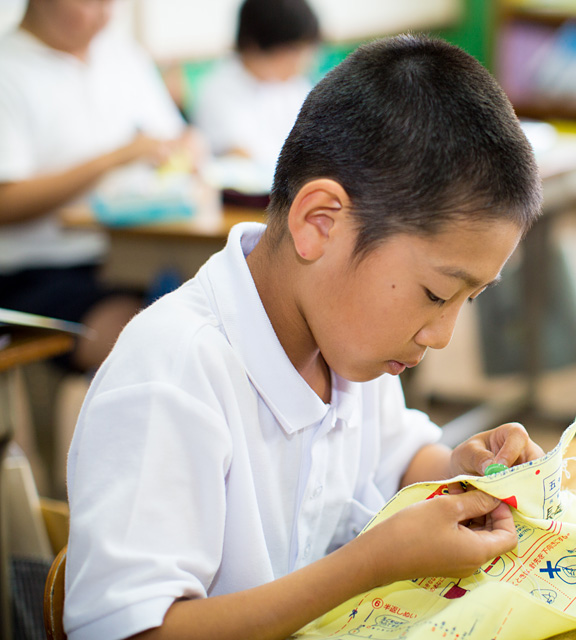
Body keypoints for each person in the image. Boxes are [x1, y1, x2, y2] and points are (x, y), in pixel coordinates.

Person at [64, 35, 544, 640]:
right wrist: (367, 565)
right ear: (320, 223)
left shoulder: (352, 342)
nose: (443, 334)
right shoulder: (174, 373)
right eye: (434, 294)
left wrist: (460, 471)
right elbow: (130, 631)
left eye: (467, 300)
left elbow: (395, 461)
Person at [0, 0, 192, 371]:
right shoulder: (8, 69)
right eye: (90, 2)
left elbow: (173, 137)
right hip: (41, 273)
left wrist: (186, 149)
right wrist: (114, 158)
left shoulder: (121, 54)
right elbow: (5, 202)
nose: (105, 13)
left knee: (220, 313)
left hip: (134, 257)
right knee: (155, 345)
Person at [192, 0, 320, 177]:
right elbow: (240, 156)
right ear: (253, 47)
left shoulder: (294, 85)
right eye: (292, 52)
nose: (301, 62)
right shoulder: (218, 92)